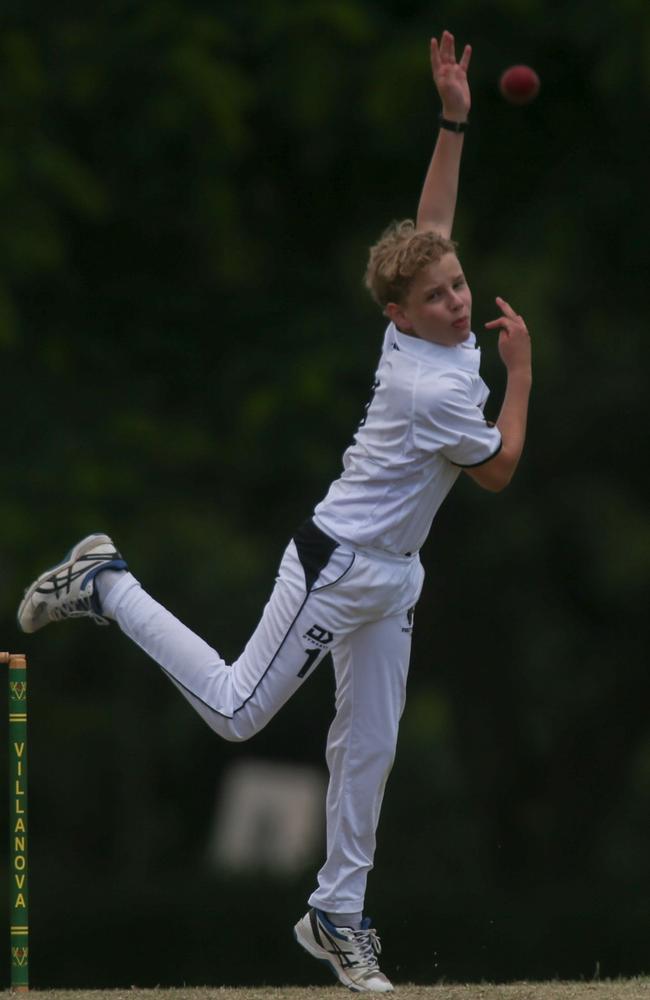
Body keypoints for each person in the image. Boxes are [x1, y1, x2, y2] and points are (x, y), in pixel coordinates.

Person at [17, 30, 531, 993]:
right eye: (439, 296)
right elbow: (500, 471)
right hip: (336, 564)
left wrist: (454, 117)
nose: (460, 302)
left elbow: (432, 225)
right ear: (400, 318)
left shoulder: (431, 331)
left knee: (368, 750)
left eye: (459, 286)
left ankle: (338, 913)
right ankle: (107, 582)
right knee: (236, 714)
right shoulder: (433, 388)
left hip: (394, 577)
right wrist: (525, 373)